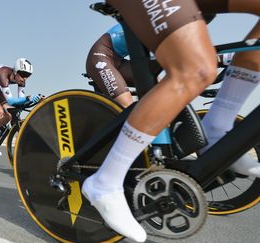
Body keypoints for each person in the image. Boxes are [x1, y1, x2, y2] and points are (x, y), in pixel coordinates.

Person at [81, 1, 260, 242]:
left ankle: (216, 127)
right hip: (104, 58)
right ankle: (106, 181)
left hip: (128, 59)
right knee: (188, 72)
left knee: (177, 83)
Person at [86, 22, 234, 108]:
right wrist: (221, 59)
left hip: (120, 62)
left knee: (160, 95)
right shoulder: (158, 23)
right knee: (126, 106)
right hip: (101, 58)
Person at [0, 58, 41, 156]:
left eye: (28, 75)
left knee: (9, 116)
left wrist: (33, 100)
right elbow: (10, 100)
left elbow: (21, 99)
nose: (25, 78)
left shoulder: (21, 80)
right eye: (23, 74)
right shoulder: (4, 74)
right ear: (15, 71)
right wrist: (28, 98)